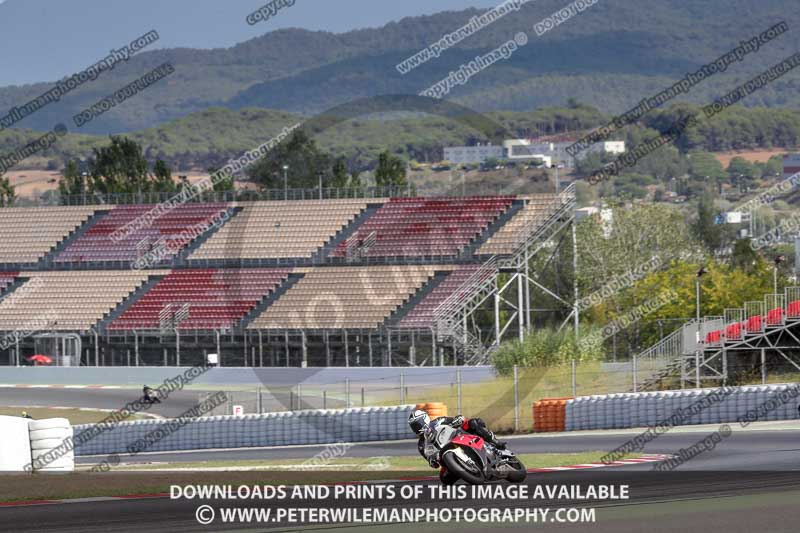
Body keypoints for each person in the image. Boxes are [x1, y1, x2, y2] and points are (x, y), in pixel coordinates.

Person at [408, 409, 506, 465]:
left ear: (424, 419)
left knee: (473, 423)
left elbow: (457, 419)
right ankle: (466, 470)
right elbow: (432, 463)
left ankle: (494, 441)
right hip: (448, 457)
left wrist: (457, 420)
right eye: (414, 427)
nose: (416, 428)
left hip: (459, 437)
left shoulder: (438, 421)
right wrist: (432, 461)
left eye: (417, 424)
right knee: (445, 479)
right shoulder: (421, 445)